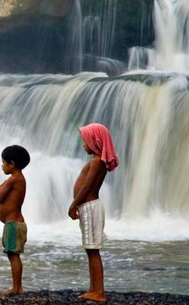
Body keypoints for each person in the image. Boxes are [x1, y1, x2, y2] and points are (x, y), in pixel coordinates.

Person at [68, 123, 119, 302]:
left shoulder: (97, 162)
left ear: (95, 141)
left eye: (85, 141)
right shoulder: (97, 162)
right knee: (90, 250)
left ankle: (99, 292)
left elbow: (86, 187)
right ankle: (94, 288)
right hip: (89, 208)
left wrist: (73, 205)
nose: (83, 145)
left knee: (92, 250)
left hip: (89, 208)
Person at [0, 145, 30, 296]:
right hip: (13, 224)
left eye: (3, 162)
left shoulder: (14, 179)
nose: (2, 166)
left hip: (13, 225)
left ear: (12, 164)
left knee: (13, 256)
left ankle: (17, 287)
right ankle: (17, 286)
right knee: (12, 255)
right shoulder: (17, 179)